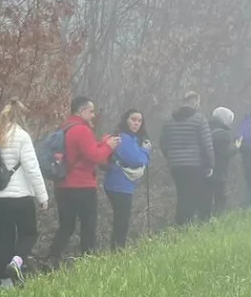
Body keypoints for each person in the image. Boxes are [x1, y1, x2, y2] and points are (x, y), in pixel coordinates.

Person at [0, 100, 48, 287]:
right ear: (19, 117)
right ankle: (17, 262)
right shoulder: (22, 136)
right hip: (21, 196)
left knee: (3, 240)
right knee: (29, 233)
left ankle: (6, 284)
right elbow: (32, 168)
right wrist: (42, 196)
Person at [48, 96, 120, 268]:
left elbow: (83, 151)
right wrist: (108, 146)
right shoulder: (82, 130)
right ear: (81, 111)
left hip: (62, 185)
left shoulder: (64, 128)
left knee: (66, 226)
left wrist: (101, 143)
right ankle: (87, 263)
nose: (93, 115)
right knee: (88, 226)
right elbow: (95, 157)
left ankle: (51, 258)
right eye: (91, 111)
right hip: (82, 186)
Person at [159, 91, 214, 226]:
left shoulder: (169, 121)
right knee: (192, 196)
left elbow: (163, 143)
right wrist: (210, 164)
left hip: (176, 165)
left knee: (182, 194)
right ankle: (185, 225)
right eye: (199, 102)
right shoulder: (199, 119)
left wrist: (171, 157)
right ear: (194, 102)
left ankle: (181, 224)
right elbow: (207, 144)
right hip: (194, 164)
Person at [103, 109, 151, 250]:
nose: (136, 123)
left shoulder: (133, 139)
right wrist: (146, 151)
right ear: (126, 120)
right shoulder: (122, 138)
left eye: (139, 121)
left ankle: (118, 249)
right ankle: (118, 250)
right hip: (118, 184)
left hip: (124, 184)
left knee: (122, 219)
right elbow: (137, 160)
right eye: (133, 120)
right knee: (121, 220)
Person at [204, 106, 240, 217]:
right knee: (220, 197)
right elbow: (225, 152)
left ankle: (204, 218)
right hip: (218, 170)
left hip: (204, 168)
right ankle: (217, 218)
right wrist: (236, 147)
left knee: (206, 197)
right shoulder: (222, 134)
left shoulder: (205, 128)